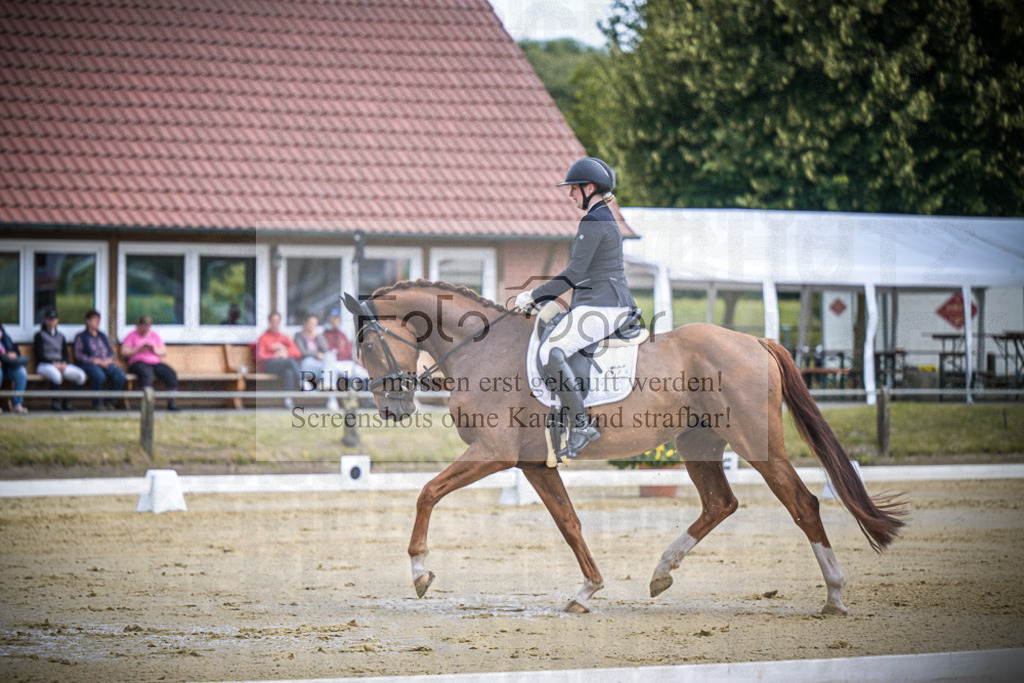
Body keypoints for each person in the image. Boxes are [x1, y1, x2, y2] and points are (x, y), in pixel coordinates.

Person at [514, 157, 638, 459]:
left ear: (589, 187)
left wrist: (535, 296)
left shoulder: (594, 220)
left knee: (549, 352)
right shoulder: (602, 217)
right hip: (602, 302)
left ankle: (581, 424)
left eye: (574, 189)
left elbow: (574, 273)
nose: (570, 195)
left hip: (604, 305)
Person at [121, 314, 180, 411]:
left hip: (154, 362)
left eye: (147, 327)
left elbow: (164, 351)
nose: (145, 330)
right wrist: (138, 349)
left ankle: (171, 402)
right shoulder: (132, 335)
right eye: (143, 327)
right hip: (138, 362)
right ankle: (148, 403)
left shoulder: (154, 335)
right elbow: (124, 352)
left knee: (170, 374)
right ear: (138, 325)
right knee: (147, 373)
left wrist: (154, 350)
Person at [33, 308, 87, 411]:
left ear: (57, 321)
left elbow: (65, 353)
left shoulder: (61, 336)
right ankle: (55, 402)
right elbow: (39, 354)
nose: (52, 322)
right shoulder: (39, 335)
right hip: (44, 364)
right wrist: (53, 363)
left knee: (81, 376)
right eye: (49, 319)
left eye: (54, 319)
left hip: (59, 364)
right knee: (56, 375)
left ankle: (67, 401)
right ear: (45, 320)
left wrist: (64, 363)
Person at [73, 309, 127, 410]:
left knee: (120, 375)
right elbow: (78, 355)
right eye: (94, 319)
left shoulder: (102, 335)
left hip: (106, 363)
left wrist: (109, 360)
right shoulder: (81, 336)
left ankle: (110, 402)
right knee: (99, 375)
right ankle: (97, 403)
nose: (97, 322)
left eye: (99, 319)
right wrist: (95, 361)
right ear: (87, 321)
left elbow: (111, 352)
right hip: (89, 364)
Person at [322, 307, 370, 412]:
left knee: (365, 374)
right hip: (333, 364)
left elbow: (349, 352)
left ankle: (370, 400)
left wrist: (358, 359)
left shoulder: (342, 334)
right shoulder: (325, 334)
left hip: (347, 363)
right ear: (329, 319)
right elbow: (327, 352)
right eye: (332, 318)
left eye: (336, 318)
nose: (334, 321)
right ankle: (332, 400)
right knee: (331, 372)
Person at [255, 312, 301, 408]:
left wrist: (285, 352)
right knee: (290, 361)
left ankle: (288, 399)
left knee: (289, 372)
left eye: (277, 321)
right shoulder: (263, 338)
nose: (275, 323)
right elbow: (259, 356)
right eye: (273, 321)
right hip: (268, 366)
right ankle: (302, 381)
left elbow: (297, 352)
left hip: (282, 365)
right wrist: (274, 355)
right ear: (269, 322)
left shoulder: (283, 337)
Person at [1, 320, 29, 414]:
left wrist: (14, 354)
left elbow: (15, 350)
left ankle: (17, 404)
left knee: (21, 372)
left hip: (8, 366)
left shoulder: (5, 336)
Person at [293, 314, 328, 381]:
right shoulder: (299, 336)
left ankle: (327, 383)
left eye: (315, 324)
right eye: (311, 323)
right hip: (306, 361)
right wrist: (316, 354)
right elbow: (302, 352)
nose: (313, 326)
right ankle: (327, 383)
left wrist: (318, 336)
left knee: (330, 356)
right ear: (305, 323)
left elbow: (325, 349)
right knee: (328, 370)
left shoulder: (318, 336)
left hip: (320, 362)